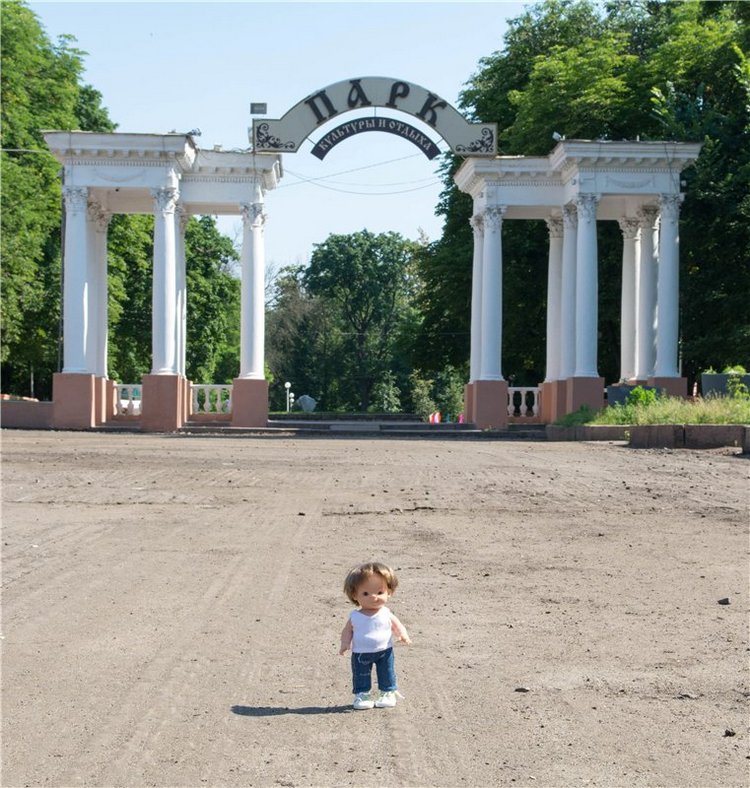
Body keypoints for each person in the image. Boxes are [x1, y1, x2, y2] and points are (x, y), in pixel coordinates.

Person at [339, 561, 412, 710]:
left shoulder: (386, 613)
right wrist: (345, 643)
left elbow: (397, 625)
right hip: (361, 653)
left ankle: (387, 692)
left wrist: (402, 635)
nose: (373, 597)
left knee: (387, 672)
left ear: (389, 591)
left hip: (385, 650)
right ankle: (362, 694)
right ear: (354, 594)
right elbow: (347, 631)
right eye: (366, 593)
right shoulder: (355, 616)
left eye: (380, 592)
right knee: (361, 674)